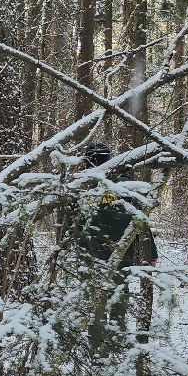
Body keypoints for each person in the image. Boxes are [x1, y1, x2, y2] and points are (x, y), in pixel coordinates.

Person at [67, 142, 158, 348]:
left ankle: (108, 348)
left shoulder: (114, 186)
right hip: (103, 252)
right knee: (112, 299)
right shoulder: (84, 187)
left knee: (107, 300)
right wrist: (151, 251)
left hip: (106, 252)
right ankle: (108, 349)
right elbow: (140, 219)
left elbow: (139, 219)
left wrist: (151, 251)